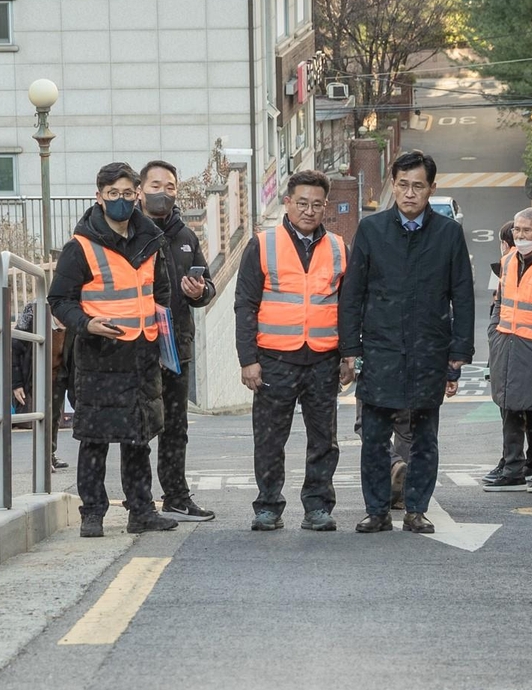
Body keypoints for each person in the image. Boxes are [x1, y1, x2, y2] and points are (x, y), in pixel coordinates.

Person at [338, 149, 475, 534]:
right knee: (374, 438)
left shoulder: (448, 233)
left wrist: (459, 353)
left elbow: (462, 295)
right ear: (393, 186)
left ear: (431, 188)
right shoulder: (371, 230)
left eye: (418, 186)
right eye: (403, 185)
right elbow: (353, 295)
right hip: (380, 351)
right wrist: (350, 350)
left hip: (429, 352)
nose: (410, 193)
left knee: (424, 438)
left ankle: (416, 509)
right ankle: (378, 511)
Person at [49, 161, 176, 537]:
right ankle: (93, 514)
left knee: (139, 438)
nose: (120, 200)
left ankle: (141, 512)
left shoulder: (152, 240)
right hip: (99, 355)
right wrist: (87, 323)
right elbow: (60, 299)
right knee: (95, 439)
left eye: (126, 193)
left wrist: (162, 331)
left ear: (137, 194)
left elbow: (161, 292)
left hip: (142, 353)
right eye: (112, 194)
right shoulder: (81, 246)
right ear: (99, 197)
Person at [234, 169, 350, 532]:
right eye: (302, 202)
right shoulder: (263, 244)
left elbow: (348, 306)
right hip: (273, 361)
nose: (309, 210)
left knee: (324, 440)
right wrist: (248, 360)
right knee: (269, 439)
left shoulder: (338, 247)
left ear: (325, 207)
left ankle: (317, 506)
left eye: (317, 204)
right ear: (287, 202)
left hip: (322, 359)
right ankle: (268, 505)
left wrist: (349, 356)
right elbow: (245, 304)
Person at [139, 160, 216, 521]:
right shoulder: (129, 233)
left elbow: (209, 288)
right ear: (140, 190)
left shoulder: (185, 236)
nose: (163, 192)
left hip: (176, 346)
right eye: (156, 185)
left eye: (170, 186)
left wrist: (198, 291)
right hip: (136, 346)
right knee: (138, 426)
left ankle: (176, 495)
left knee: (175, 427)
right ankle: (138, 501)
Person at [487, 207, 532, 494]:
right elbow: (499, 302)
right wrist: (494, 333)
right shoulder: (508, 260)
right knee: (508, 406)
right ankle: (512, 469)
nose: (520, 235)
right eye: (517, 230)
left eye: (527, 231)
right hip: (507, 345)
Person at [11, 303, 72, 470]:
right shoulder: (32, 314)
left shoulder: (73, 318)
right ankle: (42, 459)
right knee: (41, 417)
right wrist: (16, 384)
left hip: (58, 375)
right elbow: (14, 348)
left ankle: (50, 455)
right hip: (35, 374)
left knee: (54, 416)